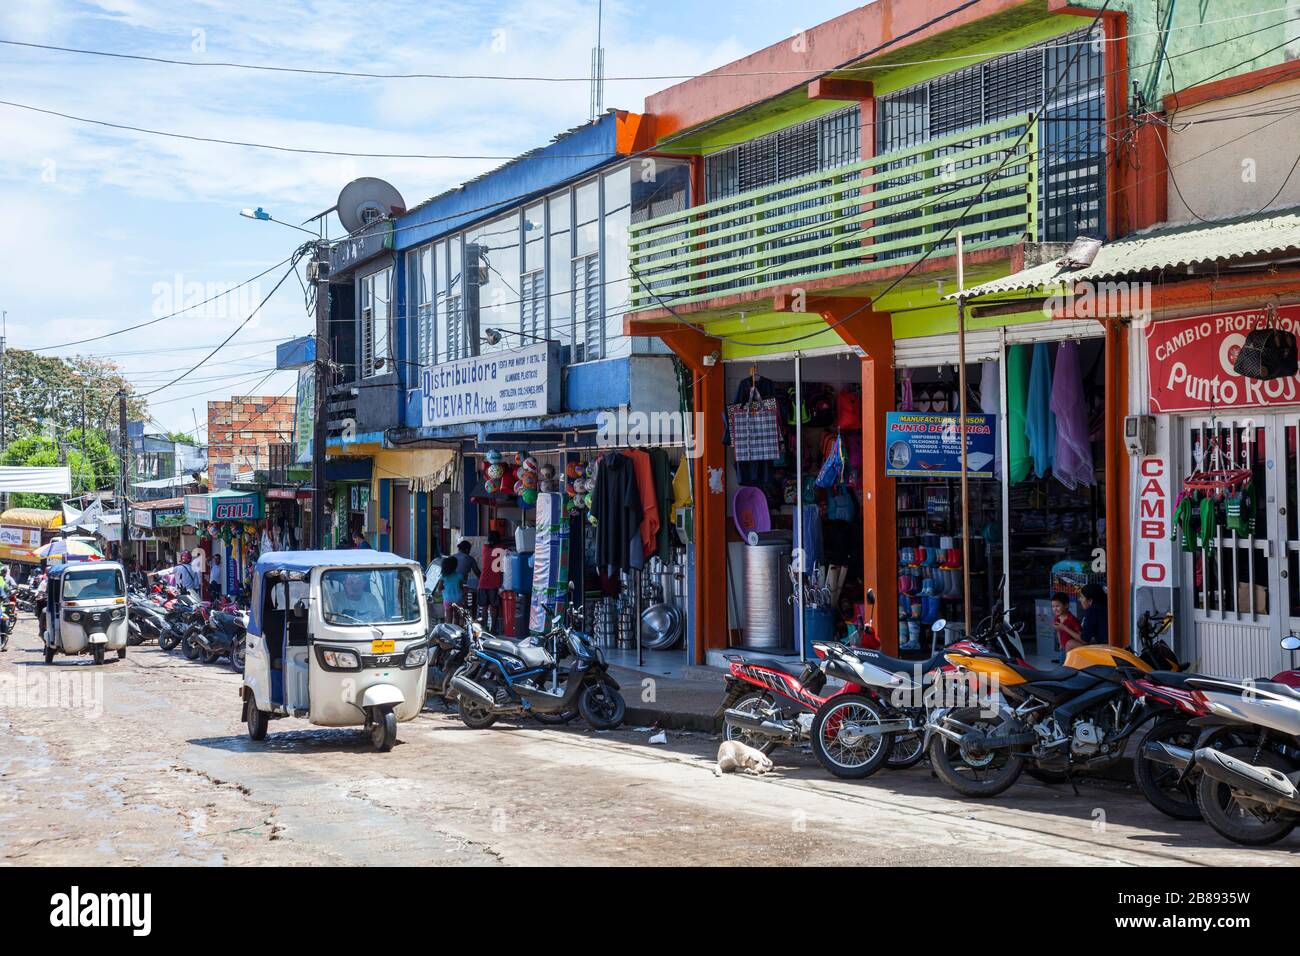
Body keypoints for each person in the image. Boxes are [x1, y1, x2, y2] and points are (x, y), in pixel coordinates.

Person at [477, 532, 505, 631]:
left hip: (483, 581)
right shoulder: (501, 548)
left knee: (484, 607)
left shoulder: (485, 548)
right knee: (494, 607)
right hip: (495, 582)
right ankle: (493, 629)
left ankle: (484, 628)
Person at [436, 556, 465, 622]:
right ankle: (456, 630)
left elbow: (439, 588)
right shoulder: (459, 575)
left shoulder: (443, 576)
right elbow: (461, 587)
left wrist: (445, 588)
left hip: (448, 599)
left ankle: (449, 631)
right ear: (455, 566)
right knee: (456, 617)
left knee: (448, 618)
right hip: (458, 599)